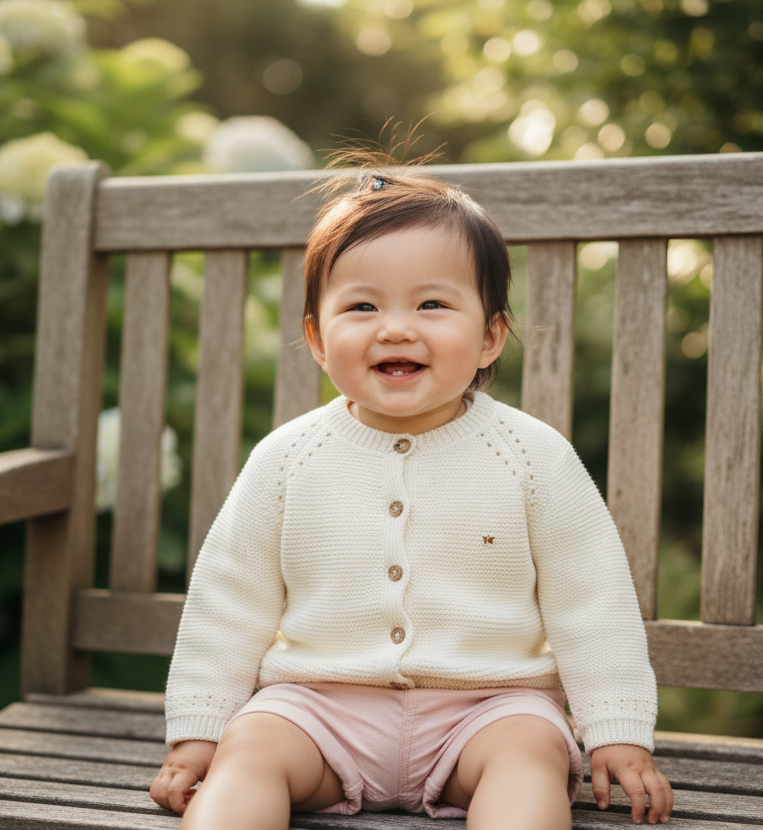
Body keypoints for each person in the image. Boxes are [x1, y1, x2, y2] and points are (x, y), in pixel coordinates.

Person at [150, 162, 674, 829]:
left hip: (487, 712)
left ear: (489, 337)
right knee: (250, 747)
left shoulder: (531, 457)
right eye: (362, 306)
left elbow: (591, 597)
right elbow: (228, 602)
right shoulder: (287, 458)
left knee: (530, 754)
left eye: (432, 304)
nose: (396, 328)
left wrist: (617, 729)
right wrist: (199, 731)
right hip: (320, 711)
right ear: (316, 337)